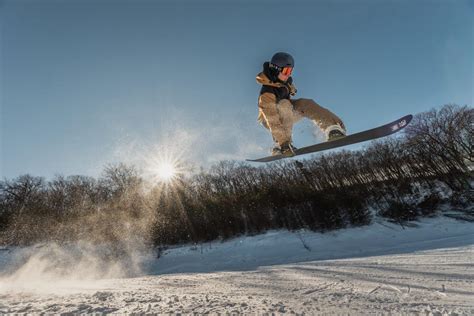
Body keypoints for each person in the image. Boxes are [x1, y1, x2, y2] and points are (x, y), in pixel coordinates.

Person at [256, 52, 346, 156]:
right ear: (276, 69)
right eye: (286, 71)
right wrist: (283, 142)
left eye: (290, 71)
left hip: (287, 112)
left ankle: (332, 127)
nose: (288, 74)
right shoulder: (266, 93)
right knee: (285, 104)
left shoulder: (284, 81)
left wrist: (291, 89)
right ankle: (280, 144)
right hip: (269, 119)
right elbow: (271, 118)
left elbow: (288, 86)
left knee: (305, 103)